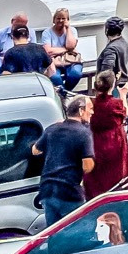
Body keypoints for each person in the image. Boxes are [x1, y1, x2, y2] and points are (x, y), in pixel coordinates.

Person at [31, 94, 95, 229]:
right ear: (81, 110)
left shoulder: (52, 129)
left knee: (54, 233)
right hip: (68, 191)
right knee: (77, 232)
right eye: (90, 108)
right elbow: (87, 166)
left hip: (47, 190)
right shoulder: (83, 133)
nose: (92, 112)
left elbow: (35, 150)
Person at [84, 71, 128, 199]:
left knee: (97, 175)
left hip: (96, 142)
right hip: (115, 142)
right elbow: (124, 114)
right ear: (112, 86)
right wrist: (123, 95)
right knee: (116, 174)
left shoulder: (91, 103)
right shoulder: (115, 104)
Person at [41, 8, 83, 91]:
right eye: (58, 18)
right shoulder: (47, 32)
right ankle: (66, 95)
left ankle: (64, 93)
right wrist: (66, 49)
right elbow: (48, 51)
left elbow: (70, 46)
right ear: (54, 20)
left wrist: (67, 29)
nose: (60, 20)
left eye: (63, 18)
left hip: (71, 60)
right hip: (54, 61)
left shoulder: (72, 31)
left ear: (67, 20)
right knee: (55, 77)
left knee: (76, 73)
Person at [96, 16, 128, 90]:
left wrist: (100, 85)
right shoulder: (125, 44)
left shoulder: (111, 49)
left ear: (107, 30)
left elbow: (106, 71)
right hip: (122, 81)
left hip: (111, 86)